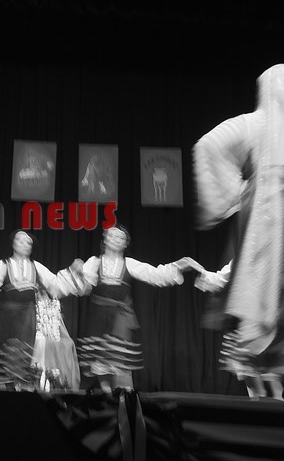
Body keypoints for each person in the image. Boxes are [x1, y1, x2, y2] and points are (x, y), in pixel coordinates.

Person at [193, 64, 284, 399]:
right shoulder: (256, 123)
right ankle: (263, 389)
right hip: (266, 215)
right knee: (263, 288)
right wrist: (240, 192)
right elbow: (209, 145)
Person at [77, 225, 201, 392]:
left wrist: (179, 266)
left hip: (119, 318)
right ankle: (108, 396)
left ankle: (125, 398)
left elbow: (154, 274)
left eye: (121, 238)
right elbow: (83, 288)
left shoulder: (129, 263)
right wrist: (78, 275)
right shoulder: (94, 262)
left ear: (125, 244)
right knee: (100, 363)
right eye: (112, 235)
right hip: (98, 318)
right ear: (105, 239)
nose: (116, 239)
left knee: (120, 363)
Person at [0, 230, 86, 392]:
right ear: (13, 243)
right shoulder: (3, 265)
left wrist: (72, 270)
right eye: (20, 240)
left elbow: (55, 285)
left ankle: (24, 394)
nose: (25, 244)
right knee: (6, 361)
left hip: (28, 320)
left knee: (26, 360)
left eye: (28, 242)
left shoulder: (36, 267)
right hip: (7, 320)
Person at [195, 260, 284, 399]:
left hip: (267, 323)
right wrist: (201, 272)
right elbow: (221, 278)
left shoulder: (274, 257)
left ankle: (271, 405)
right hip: (247, 322)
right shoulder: (243, 259)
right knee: (251, 376)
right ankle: (258, 405)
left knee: (270, 376)